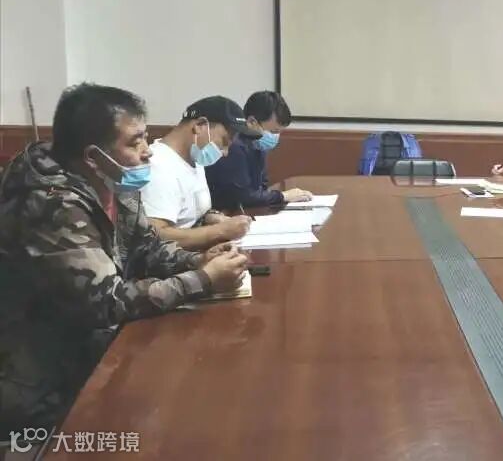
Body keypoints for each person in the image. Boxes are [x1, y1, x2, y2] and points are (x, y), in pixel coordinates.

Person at [0, 84, 248, 434]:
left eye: (145, 138)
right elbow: (106, 301)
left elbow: (148, 247)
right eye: (135, 143)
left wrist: (198, 260)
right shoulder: (52, 204)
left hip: (96, 348)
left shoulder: (115, 183)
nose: (148, 152)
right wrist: (203, 280)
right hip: (44, 381)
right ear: (93, 155)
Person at [141, 96, 259, 251]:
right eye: (225, 141)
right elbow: (156, 236)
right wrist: (219, 231)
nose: (225, 153)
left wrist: (212, 218)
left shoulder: (194, 159)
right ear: (200, 125)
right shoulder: (158, 165)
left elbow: (188, 216)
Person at [205, 91, 311, 210]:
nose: (275, 137)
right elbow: (244, 197)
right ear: (251, 122)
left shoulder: (258, 145)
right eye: (273, 131)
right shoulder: (234, 146)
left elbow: (261, 188)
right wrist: (283, 196)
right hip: (223, 213)